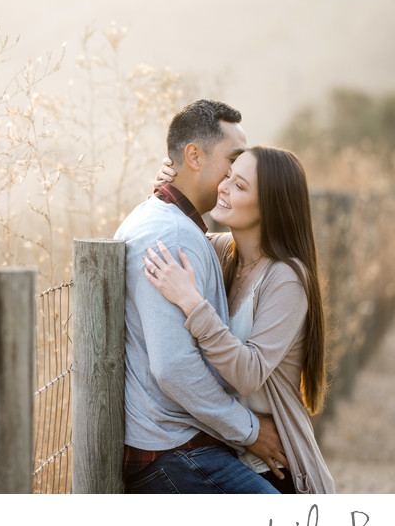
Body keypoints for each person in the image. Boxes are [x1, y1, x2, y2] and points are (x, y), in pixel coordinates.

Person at [114, 99, 287, 494]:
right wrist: (249, 431)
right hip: (176, 452)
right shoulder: (172, 236)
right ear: (194, 155)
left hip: (184, 445)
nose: (236, 172)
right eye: (233, 159)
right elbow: (173, 366)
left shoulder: (169, 221)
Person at [143, 145, 335, 493]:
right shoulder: (218, 250)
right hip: (227, 455)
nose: (223, 187)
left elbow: (248, 373)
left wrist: (192, 303)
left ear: (271, 207)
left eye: (240, 186)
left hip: (274, 468)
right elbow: (169, 233)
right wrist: (167, 190)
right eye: (228, 176)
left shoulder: (286, 278)